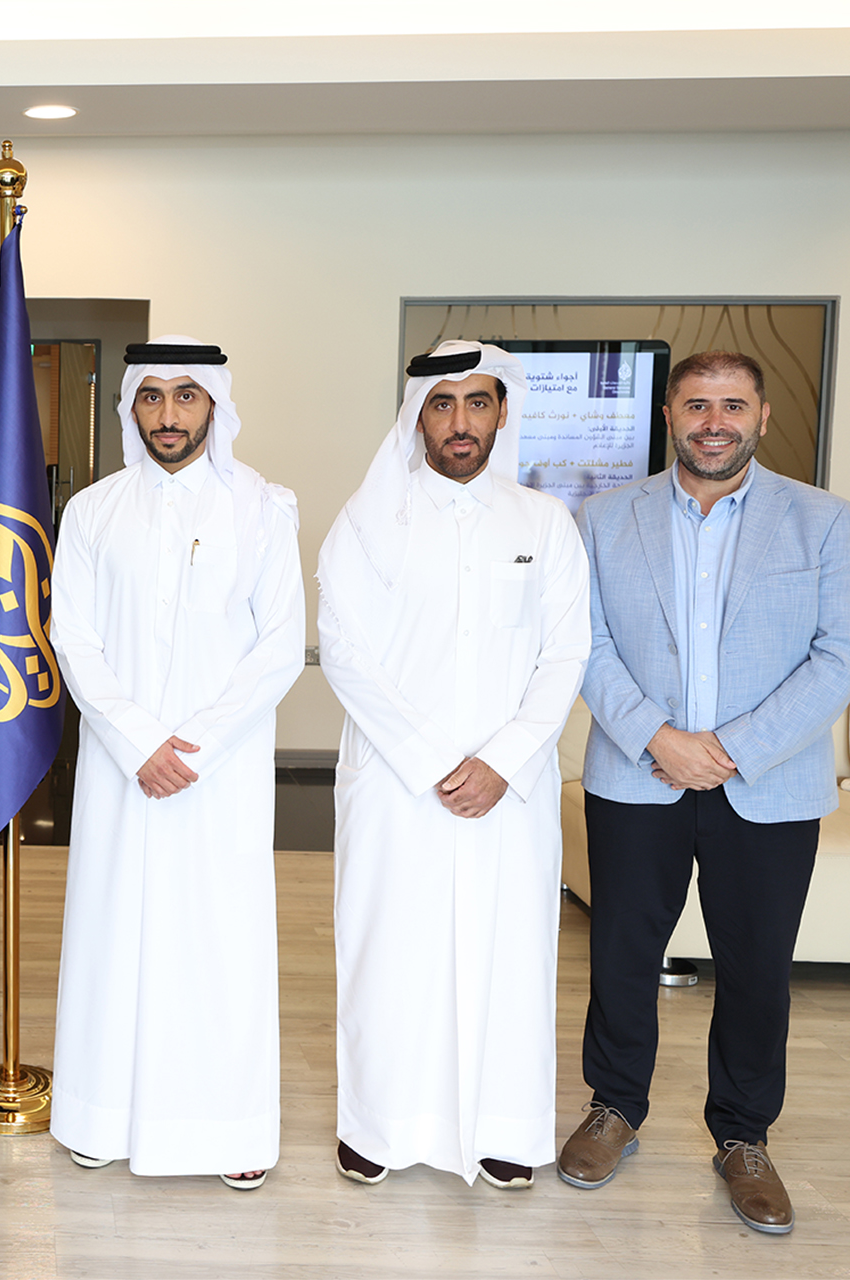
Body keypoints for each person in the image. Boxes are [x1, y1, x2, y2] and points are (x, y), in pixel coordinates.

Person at [562, 351, 850, 1234]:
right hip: (635, 774)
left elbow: (838, 658)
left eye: (732, 405)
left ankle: (744, 1135)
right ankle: (614, 1107)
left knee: (758, 969)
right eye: (696, 405)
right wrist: (659, 738)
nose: (713, 421)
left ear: (761, 417)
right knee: (621, 954)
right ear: (669, 417)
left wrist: (726, 751)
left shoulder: (824, 521)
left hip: (769, 783)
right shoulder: (602, 518)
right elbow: (583, 643)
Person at [316, 339, 589, 1190]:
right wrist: (436, 761)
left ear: (503, 412)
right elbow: (345, 653)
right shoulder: (366, 522)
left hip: (511, 788)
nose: (460, 422)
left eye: (477, 402)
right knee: (390, 952)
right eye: (443, 403)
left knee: (509, 954)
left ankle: (504, 1127)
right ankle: (378, 1125)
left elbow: (565, 653)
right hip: (398, 785)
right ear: (418, 415)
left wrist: (502, 761)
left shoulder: (544, 523)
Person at [47, 338, 304, 1186]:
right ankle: (100, 1115)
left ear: (214, 406)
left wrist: (193, 747)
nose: (167, 414)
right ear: (131, 406)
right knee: (111, 933)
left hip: (218, 774)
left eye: (186, 395)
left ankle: (230, 1131)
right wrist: (136, 743)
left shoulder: (262, 508)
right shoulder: (93, 511)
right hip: (120, 768)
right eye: (151, 396)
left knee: (218, 941)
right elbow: (73, 638)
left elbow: (278, 647)